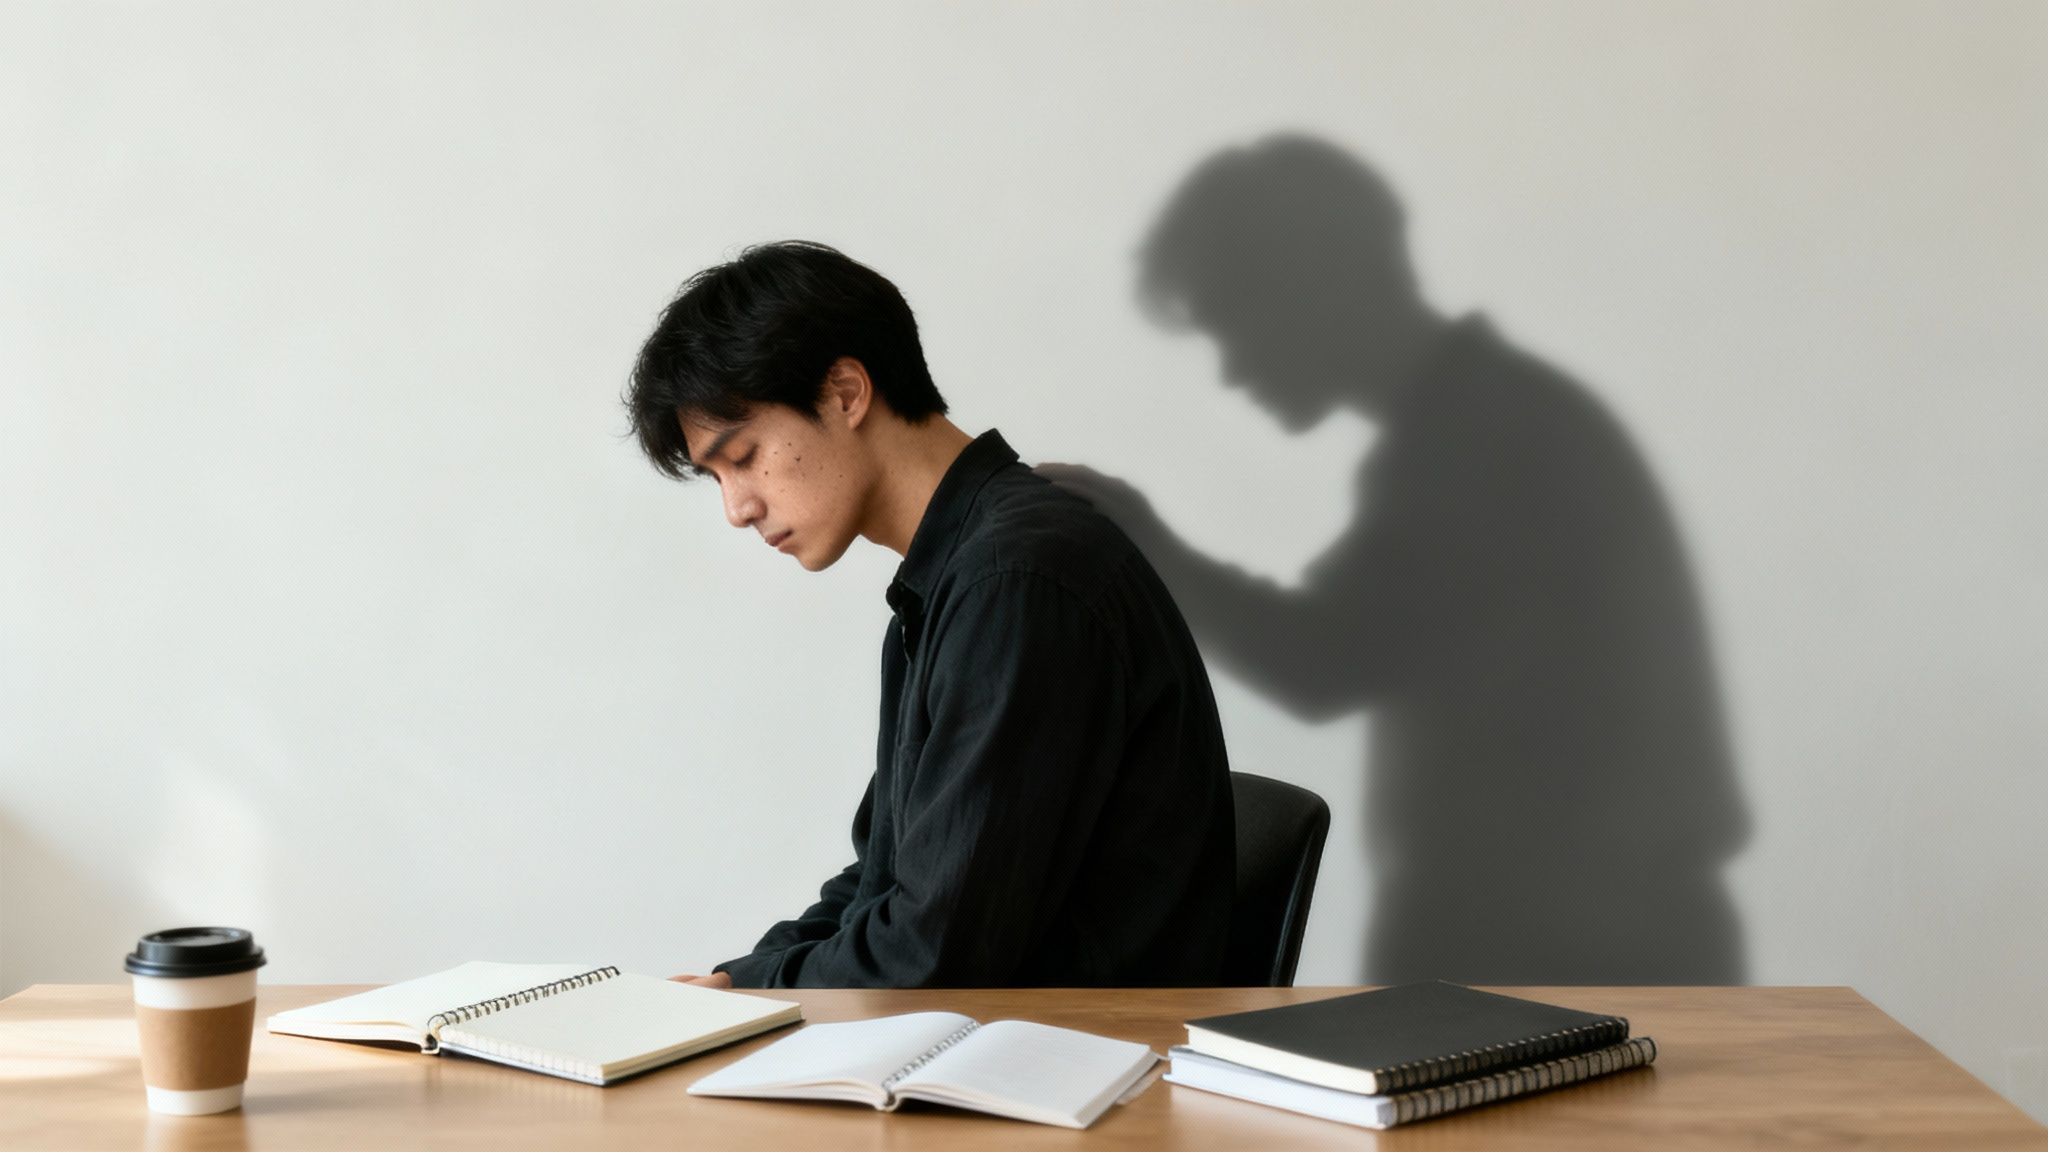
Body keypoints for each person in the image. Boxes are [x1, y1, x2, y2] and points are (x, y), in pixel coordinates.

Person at [626, 241, 1234, 989]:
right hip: (994, 1055)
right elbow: (885, 883)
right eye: (716, 476)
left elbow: (934, 950)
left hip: (1071, 1078)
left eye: (744, 455)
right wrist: (734, 985)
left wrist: (758, 998)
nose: (737, 508)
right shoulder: (956, 578)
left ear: (846, 392)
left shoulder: (1017, 582)